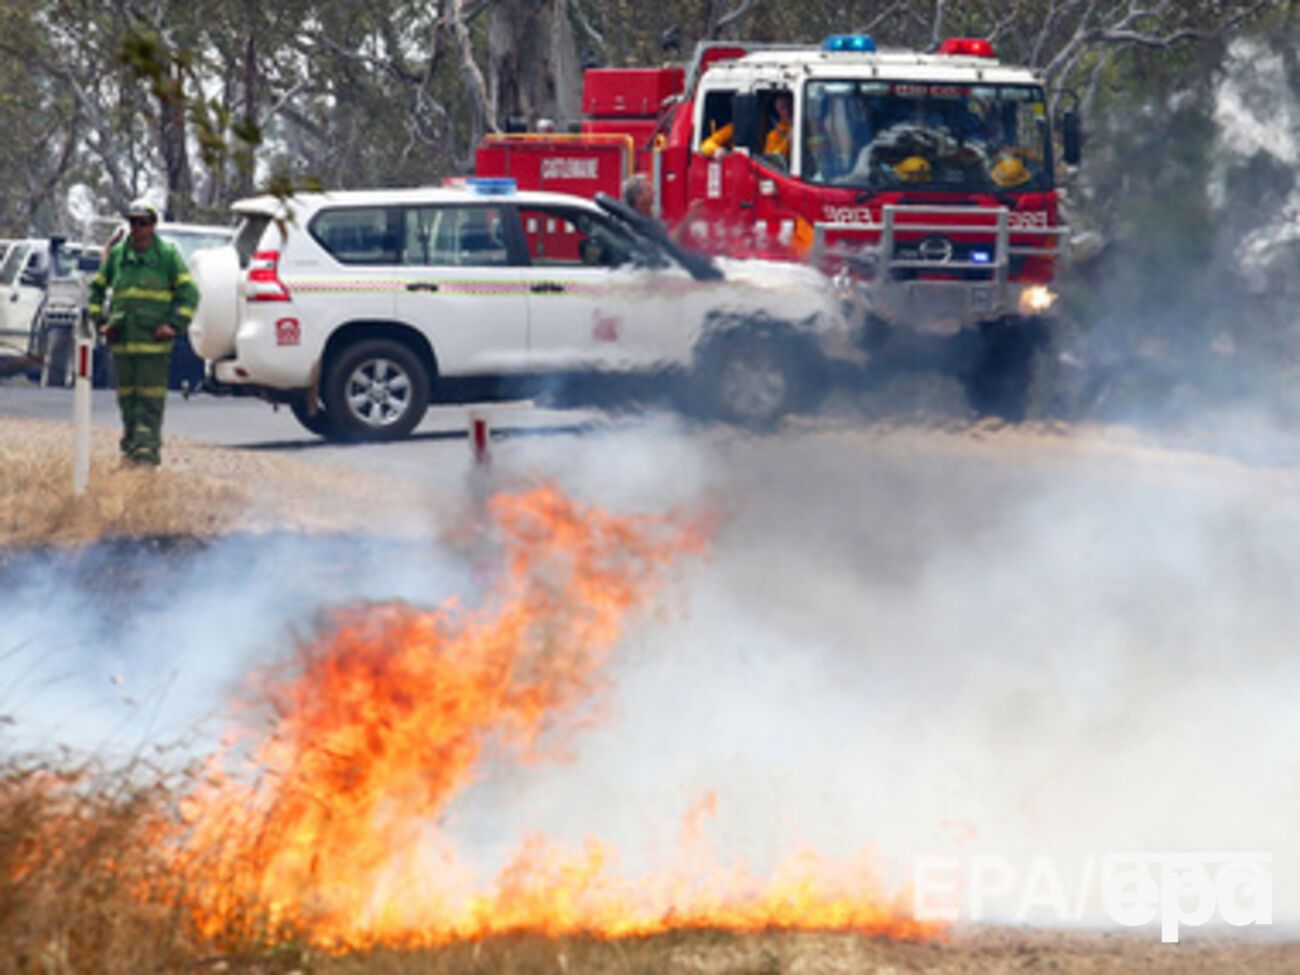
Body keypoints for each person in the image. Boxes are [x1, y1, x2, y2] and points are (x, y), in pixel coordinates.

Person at [86, 198, 199, 466]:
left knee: (149, 402)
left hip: (153, 348)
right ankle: (130, 452)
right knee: (127, 402)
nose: (137, 228)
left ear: (153, 226)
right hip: (123, 346)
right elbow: (96, 291)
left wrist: (173, 326)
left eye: (143, 223)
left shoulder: (168, 256)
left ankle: (147, 455)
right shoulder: (117, 256)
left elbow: (190, 295)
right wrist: (101, 322)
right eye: (133, 222)